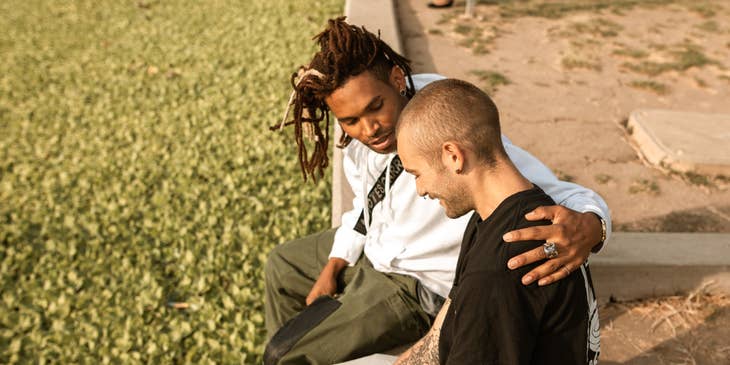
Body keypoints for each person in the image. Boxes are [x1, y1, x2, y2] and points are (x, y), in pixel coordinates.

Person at [265, 17, 609, 364]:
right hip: (378, 248)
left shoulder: (446, 122)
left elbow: (528, 188)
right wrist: (334, 264)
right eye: (350, 120)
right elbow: (364, 206)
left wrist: (593, 227)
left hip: (414, 283)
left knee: (288, 355)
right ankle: (307, 326)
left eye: (375, 107)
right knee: (281, 264)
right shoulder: (357, 143)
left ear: (397, 81)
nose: (368, 129)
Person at [392, 78, 600, 365]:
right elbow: (441, 332)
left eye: (417, 173)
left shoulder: (497, 271)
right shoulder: (507, 214)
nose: (420, 189)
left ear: (453, 156)